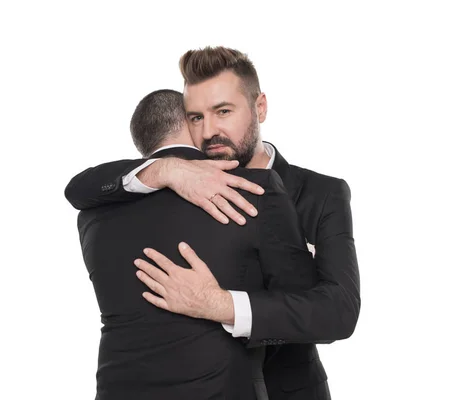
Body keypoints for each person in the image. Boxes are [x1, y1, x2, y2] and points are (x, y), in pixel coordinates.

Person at [65, 47, 361, 400]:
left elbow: (338, 311)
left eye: (223, 112)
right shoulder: (176, 183)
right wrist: (166, 168)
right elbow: (80, 190)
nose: (208, 132)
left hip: (288, 389)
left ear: (260, 107)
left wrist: (219, 304)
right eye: (194, 117)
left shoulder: (320, 193)